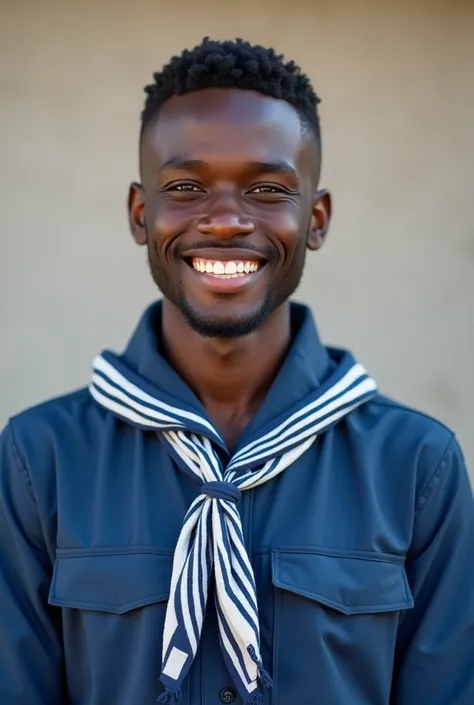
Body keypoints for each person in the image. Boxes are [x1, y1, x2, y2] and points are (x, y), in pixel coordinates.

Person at [0, 37, 473, 705]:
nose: (224, 220)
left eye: (268, 188)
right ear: (141, 214)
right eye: (186, 187)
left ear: (316, 218)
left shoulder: (420, 469)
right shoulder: (37, 460)